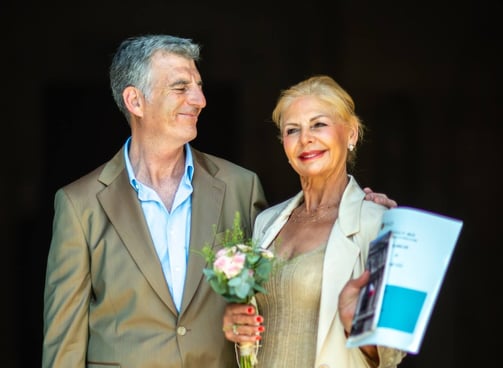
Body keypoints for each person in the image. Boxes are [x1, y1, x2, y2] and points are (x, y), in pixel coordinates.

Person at [42, 34, 397, 368]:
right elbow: (64, 343)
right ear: (135, 101)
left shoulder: (241, 187)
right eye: (181, 87)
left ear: (351, 133)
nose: (199, 99)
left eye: (199, 87)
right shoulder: (80, 204)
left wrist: (368, 213)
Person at [222, 75, 407, 367]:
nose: (305, 138)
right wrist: (237, 322)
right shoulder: (266, 223)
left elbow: (394, 354)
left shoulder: (378, 223)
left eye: (319, 124)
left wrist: (355, 327)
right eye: (292, 130)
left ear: (351, 134)